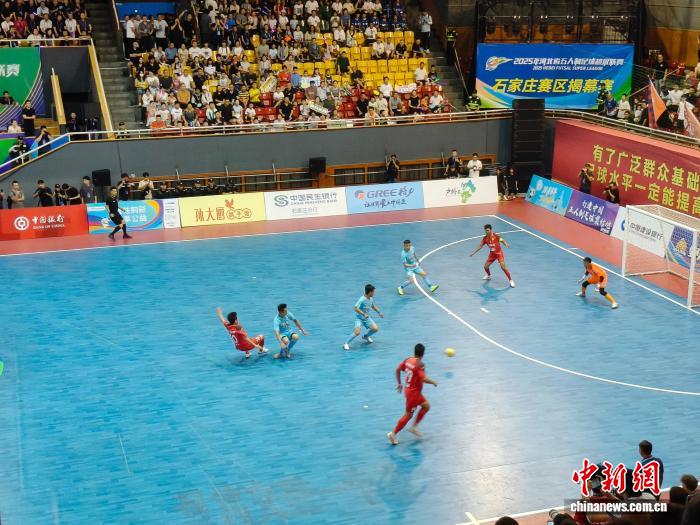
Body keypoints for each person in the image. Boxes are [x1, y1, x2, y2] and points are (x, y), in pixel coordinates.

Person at [386, 343, 437, 445]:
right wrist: (433, 382)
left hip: (410, 391)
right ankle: (393, 434)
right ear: (423, 354)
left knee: (426, 406)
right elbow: (424, 379)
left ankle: (413, 427)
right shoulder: (420, 365)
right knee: (408, 415)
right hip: (414, 394)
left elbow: (398, 369)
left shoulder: (408, 360)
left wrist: (399, 383)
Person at [343, 284, 384, 350]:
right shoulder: (362, 299)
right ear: (370, 292)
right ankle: (346, 343)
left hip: (366, 318)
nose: (374, 293)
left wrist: (379, 313)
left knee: (375, 328)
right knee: (357, 332)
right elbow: (355, 308)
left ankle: (366, 336)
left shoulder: (371, 298)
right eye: (373, 292)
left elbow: (373, 306)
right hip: (359, 318)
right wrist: (363, 314)